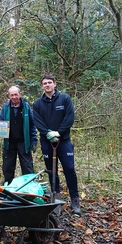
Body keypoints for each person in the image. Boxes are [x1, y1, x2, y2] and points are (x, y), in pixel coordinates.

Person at [32, 74, 82, 215]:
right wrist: (48, 133)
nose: (47, 85)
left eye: (49, 82)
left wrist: (58, 132)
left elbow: (69, 117)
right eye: (44, 83)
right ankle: (56, 199)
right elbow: (37, 121)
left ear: (55, 84)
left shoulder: (65, 99)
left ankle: (75, 199)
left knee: (69, 169)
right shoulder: (37, 103)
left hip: (63, 141)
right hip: (47, 142)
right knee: (51, 171)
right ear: (42, 86)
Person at [0, 86, 38, 185]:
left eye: (16, 94)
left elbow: (32, 125)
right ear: (9, 96)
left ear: (20, 94)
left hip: (24, 141)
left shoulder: (26, 107)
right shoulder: (5, 107)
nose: (14, 97)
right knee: (8, 167)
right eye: (12, 95)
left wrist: (33, 140)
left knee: (27, 166)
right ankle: (8, 187)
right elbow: (1, 123)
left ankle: (29, 187)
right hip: (9, 142)